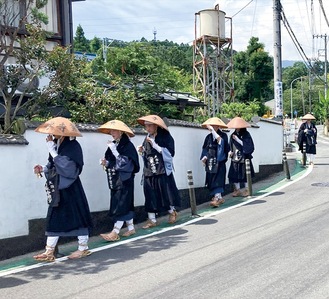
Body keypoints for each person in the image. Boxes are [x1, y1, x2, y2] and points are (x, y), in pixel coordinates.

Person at [33, 117, 93, 261]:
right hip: (58, 187)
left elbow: (69, 168)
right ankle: (49, 251)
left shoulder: (73, 146)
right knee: (54, 217)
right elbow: (52, 165)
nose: (52, 134)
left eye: (55, 131)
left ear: (62, 132)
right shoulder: (56, 144)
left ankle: (83, 248)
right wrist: (42, 168)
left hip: (71, 187)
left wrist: (53, 152)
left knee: (78, 216)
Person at [97, 120, 140, 241]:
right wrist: (106, 162)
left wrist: (115, 151)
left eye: (114, 130)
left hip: (125, 179)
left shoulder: (128, 146)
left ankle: (115, 231)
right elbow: (114, 162)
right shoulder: (114, 144)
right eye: (111, 131)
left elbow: (126, 163)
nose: (111, 133)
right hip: (116, 179)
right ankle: (131, 228)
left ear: (121, 132)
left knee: (122, 203)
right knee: (123, 202)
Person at [137, 115, 181, 228]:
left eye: (150, 126)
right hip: (149, 170)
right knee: (149, 194)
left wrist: (155, 145)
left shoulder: (166, 137)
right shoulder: (147, 137)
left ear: (156, 126)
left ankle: (172, 212)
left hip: (161, 169)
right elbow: (146, 152)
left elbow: (170, 153)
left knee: (165, 192)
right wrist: (141, 150)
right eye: (146, 126)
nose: (147, 128)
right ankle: (152, 219)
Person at [200, 117, 229, 207]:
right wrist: (204, 157)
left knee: (218, 179)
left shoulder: (223, 135)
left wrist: (213, 131)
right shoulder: (208, 137)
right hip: (210, 162)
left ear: (218, 126)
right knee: (211, 179)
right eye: (211, 126)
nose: (212, 127)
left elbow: (222, 144)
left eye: (214, 126)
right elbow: (205, 149)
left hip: (219, 162)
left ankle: (217, 198)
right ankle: (218, 197)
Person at [227, 117, 255, 197]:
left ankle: (247, 189)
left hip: (244, 157)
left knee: (245, 174)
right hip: (235, 157)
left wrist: (238, 140)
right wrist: (230, 152)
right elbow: (230, 146)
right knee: (234, 174)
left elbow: (249, 146)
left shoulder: (246, 134)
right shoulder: (232, 135)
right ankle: (237, 189)